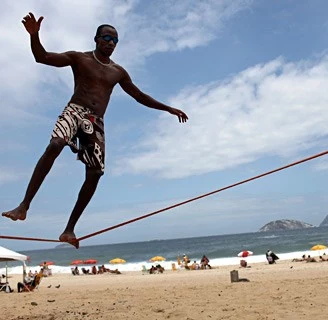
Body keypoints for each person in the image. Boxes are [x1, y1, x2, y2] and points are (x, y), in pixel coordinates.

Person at [1, 12, 188, 248]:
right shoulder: (79, 58)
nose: (110, 43)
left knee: (95, 173)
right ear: (96, 39)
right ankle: (24, 206)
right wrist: (34, 35)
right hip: (75, 110)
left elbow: (139, 95)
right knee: (55, 144)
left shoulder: (118, 72)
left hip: (95, 121)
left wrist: (168, 108)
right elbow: (42, 57)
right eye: (107, 38)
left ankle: (69, 230)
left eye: (115, 41)